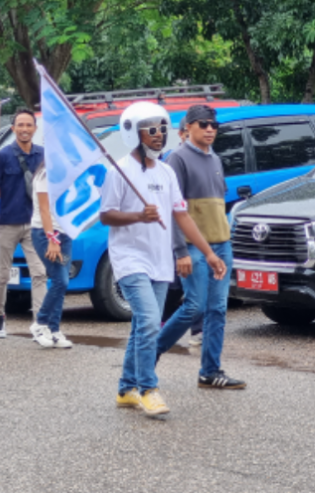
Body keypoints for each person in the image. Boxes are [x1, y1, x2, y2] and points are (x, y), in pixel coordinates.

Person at [100, 102, 227, 417]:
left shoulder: (166, 172)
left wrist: (209, 253)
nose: (158, 135)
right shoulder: (119, 171)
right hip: (129, 259)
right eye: (151, 130)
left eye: (162, 129)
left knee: (141, 326)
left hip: (158, 260)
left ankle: (125, 388)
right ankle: (148, 389)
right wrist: (137, 216)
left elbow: (182, 216)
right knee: (148, 321)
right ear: (134, 133)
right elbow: (106, 215)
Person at [157, 105, 246, 389]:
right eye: (203, 124)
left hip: (221, 245)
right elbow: (173, 211)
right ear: (188, 127)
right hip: (193, 248)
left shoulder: (216, 159)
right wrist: (180, 251)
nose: (210, 129)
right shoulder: (177, 159)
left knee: (217, 309)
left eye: (214, 125)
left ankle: (210, 371)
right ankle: (149, 353)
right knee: (194, 306)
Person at [0, 109, 47, 338]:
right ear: (13, 129)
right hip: (8, 223)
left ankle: (40, 322)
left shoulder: (43, 155)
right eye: (20, 125)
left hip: (35, 224)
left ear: (35, 128)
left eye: (29, 125)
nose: (25, 129)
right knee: (2, 274)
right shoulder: (3, 155)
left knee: (39, 273)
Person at [29, 164, 73, 348]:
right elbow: (44, 209)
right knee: (60, 280)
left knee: (61, 283)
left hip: (65, 233)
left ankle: (54, 330)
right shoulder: (45, 175)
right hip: (46, 233)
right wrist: (52, 239)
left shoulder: (65, 171)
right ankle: (40, 324)